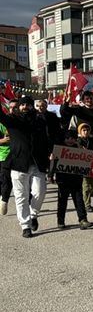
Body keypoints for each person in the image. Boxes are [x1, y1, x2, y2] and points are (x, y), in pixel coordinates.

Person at [0, 96, 53, 237]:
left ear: (32, 107)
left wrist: (50, 152)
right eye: (22, 105)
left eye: (28, 105)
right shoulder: (12, 120)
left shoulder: (40, 121)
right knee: (21, 196)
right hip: (18, 163)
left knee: (40, 192)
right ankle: (25, 226)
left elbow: (47, 138)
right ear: (18, 107)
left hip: (37, 162)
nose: (25, 108)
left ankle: (33, 215)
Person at [53, 130, 93, 230]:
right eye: (67, 138)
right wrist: (51, 175)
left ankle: (83, 220)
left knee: (79, 200)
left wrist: (82, 150)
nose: (70, 140)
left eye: (72, 138)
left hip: (76, 179)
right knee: (62, 201)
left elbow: (86, 161)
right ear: (64, 139)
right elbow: (53, 164)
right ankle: (60, 221)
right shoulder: (60, 149)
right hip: (63, 180)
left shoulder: (78, 149)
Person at [77, 123, 93, 212]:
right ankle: (87, 204)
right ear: (80, 132)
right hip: (83, 166)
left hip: (92, 165)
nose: (86, 132)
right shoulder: (78, 141)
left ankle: (89, 200)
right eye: (84, 130)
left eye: (87, 130)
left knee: (92, 186)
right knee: (86, 186)